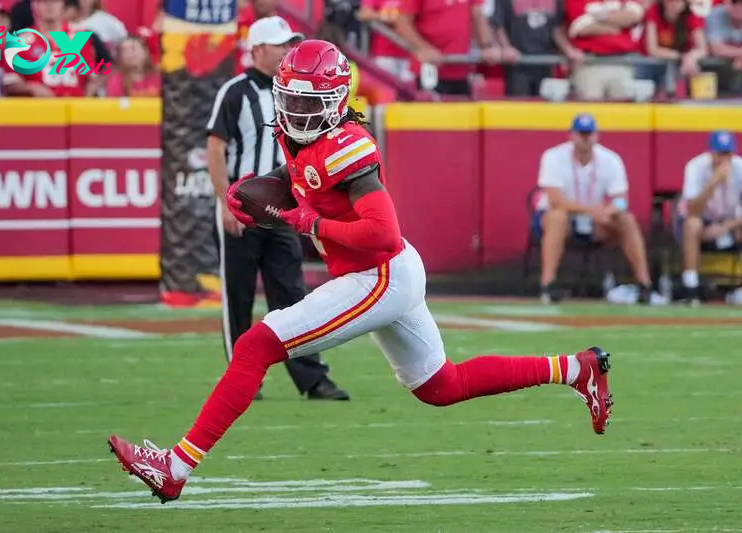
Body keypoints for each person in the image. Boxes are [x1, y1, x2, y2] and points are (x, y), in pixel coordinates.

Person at [107, 39, 614, 504]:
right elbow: (298, 178)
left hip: (378, 274)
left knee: (256, 345)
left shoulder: (349, 149)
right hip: (385, 273)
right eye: (293, 100)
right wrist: (255, 189)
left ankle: (175, 466)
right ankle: (575, 369)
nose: (298, 111)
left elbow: (382, 233)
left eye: (310, 103)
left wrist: (310, 222)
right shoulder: (296, 134)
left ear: (334, 102)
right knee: (440, 386)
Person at [206, 18, 349, 402]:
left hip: (284, 208)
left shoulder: (297, 92)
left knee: (292, 295)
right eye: (278, 44)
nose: (287, 50)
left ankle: (313, 378)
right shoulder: (235, 91)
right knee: (237, 296)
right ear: (255, 50)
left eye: (290, 43)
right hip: (244, 206)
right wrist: (225, 203)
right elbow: (215, 148)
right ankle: (243, 378)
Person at [534, 113, 653, 304]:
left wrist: (610, 211)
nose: (585, 139)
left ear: (596, 135)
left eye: (589, 134)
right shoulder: (553, 157)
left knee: (627, 219)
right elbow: (555, 200)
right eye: (581, 134)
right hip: (566, 218)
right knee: (557, 217)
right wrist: (590, 210)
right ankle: (548, 284)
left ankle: (644, 283)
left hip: (596, 220)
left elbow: (622, 200)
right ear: (571, 135)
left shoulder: (610, 159)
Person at [679, 130, 742, 305]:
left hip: (729, 222)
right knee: (693, 225)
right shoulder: (696, 167)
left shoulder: (739, 168)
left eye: (727, 154)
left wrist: (726, 227)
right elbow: (692, 210)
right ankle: (691, 287)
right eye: (719, 154)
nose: (723, 159)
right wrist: (713, 182)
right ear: (711, 152)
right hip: (702, 220)